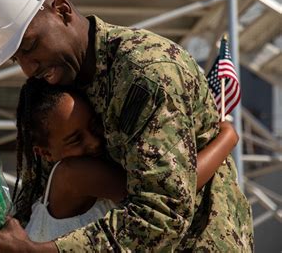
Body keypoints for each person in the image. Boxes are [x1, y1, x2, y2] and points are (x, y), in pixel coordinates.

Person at [0, 0, 253, 252]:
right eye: (16, 58)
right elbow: (36, 193)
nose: (28, 67)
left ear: (62, 10)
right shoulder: (56, 90)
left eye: (30, 46)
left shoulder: (148, 72)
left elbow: (161, 215)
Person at [14, 78, 239, 243]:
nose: (93, 141)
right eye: (75, 139)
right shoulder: (73, 174)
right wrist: (227, 137)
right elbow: (169, 192)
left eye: (93, 126)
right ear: (45, 153)